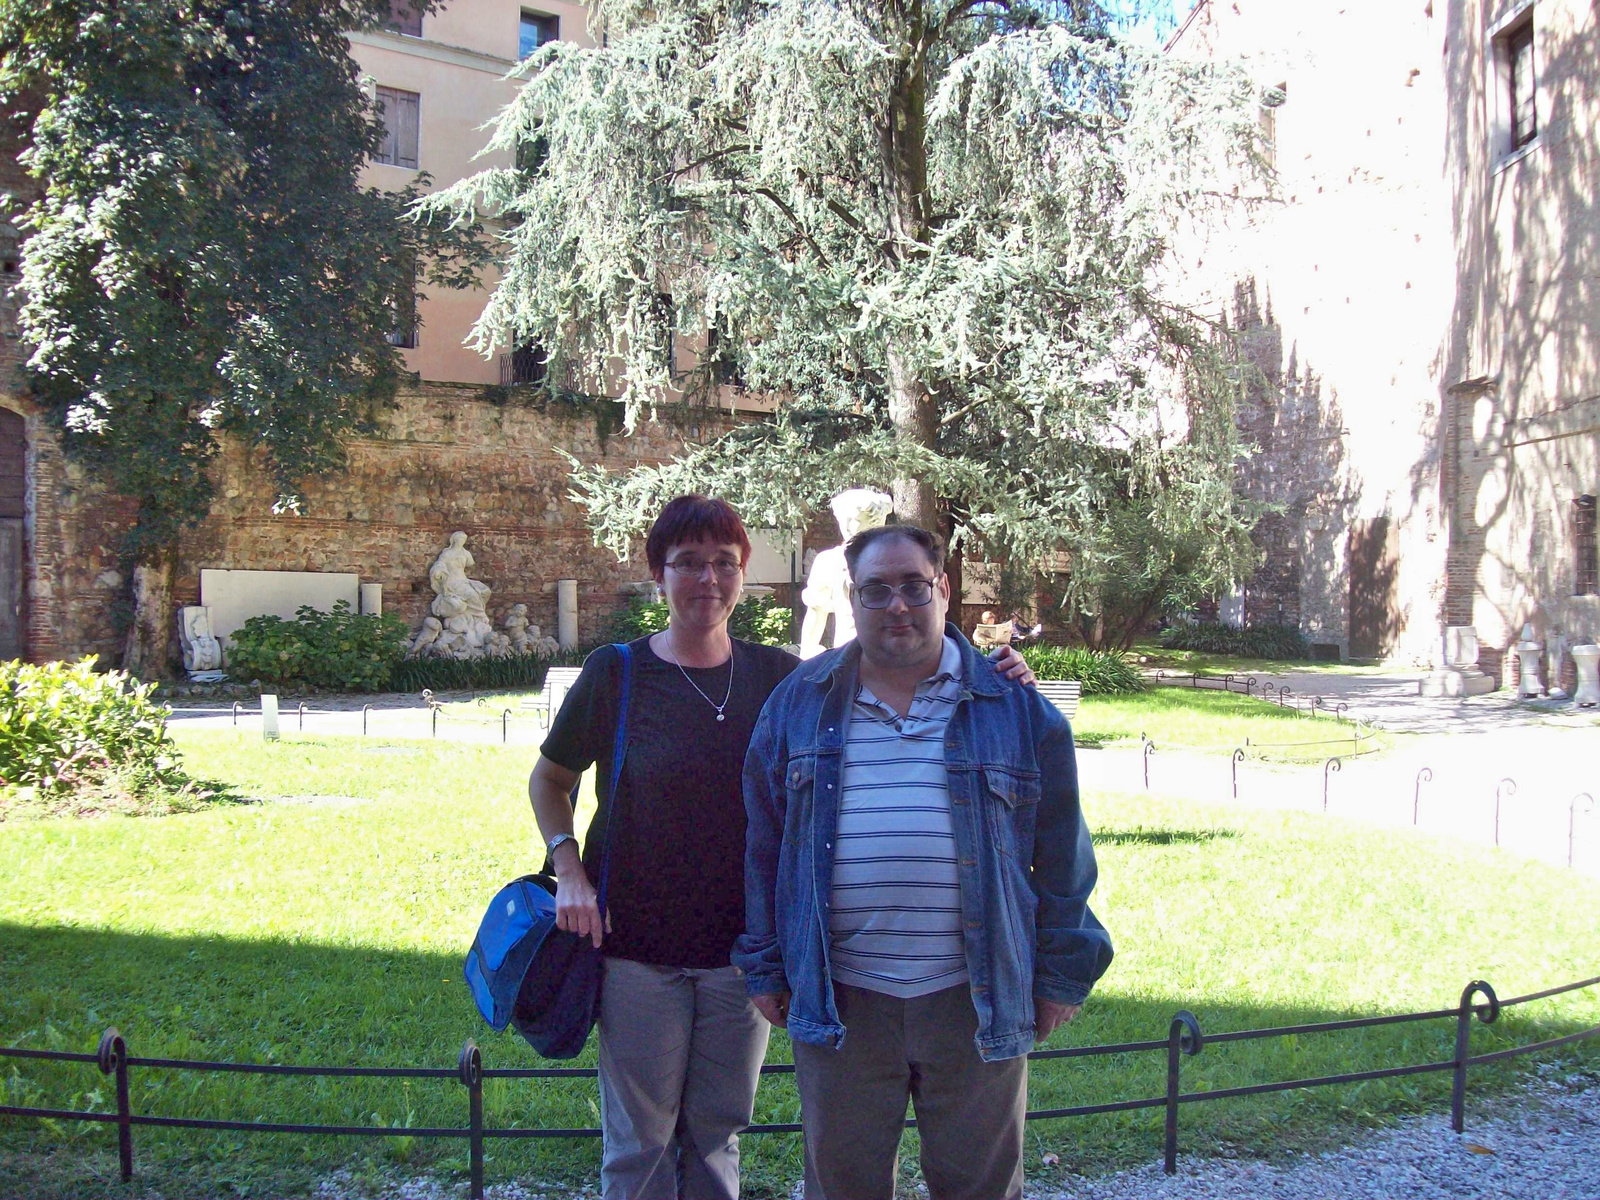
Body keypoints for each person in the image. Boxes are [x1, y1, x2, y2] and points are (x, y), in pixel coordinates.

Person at [528, 496, 1038, 1199]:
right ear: (658, 573)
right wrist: (569, 868)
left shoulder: (783, 679)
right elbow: (550, 779)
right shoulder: (616, 675)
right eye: (688, 563)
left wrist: (997, 676)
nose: (707, 579)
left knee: (717, 1131)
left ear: (743, 575)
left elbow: (898, 672)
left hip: (747, 954)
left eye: (724, 563)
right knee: (639, 1143)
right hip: (635, 948)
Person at [735, 523, 1113, 1200]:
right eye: (877, 591)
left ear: (943, 590)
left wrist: (1060, 972)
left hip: (973, 998)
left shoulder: (1013, 707)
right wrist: (764, 962)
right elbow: (764, 845)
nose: (898, 606)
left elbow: (1062, 855)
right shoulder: (800, 701)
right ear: (853, 601)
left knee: (979, 1191)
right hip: (841, 995)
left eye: (914, 586)